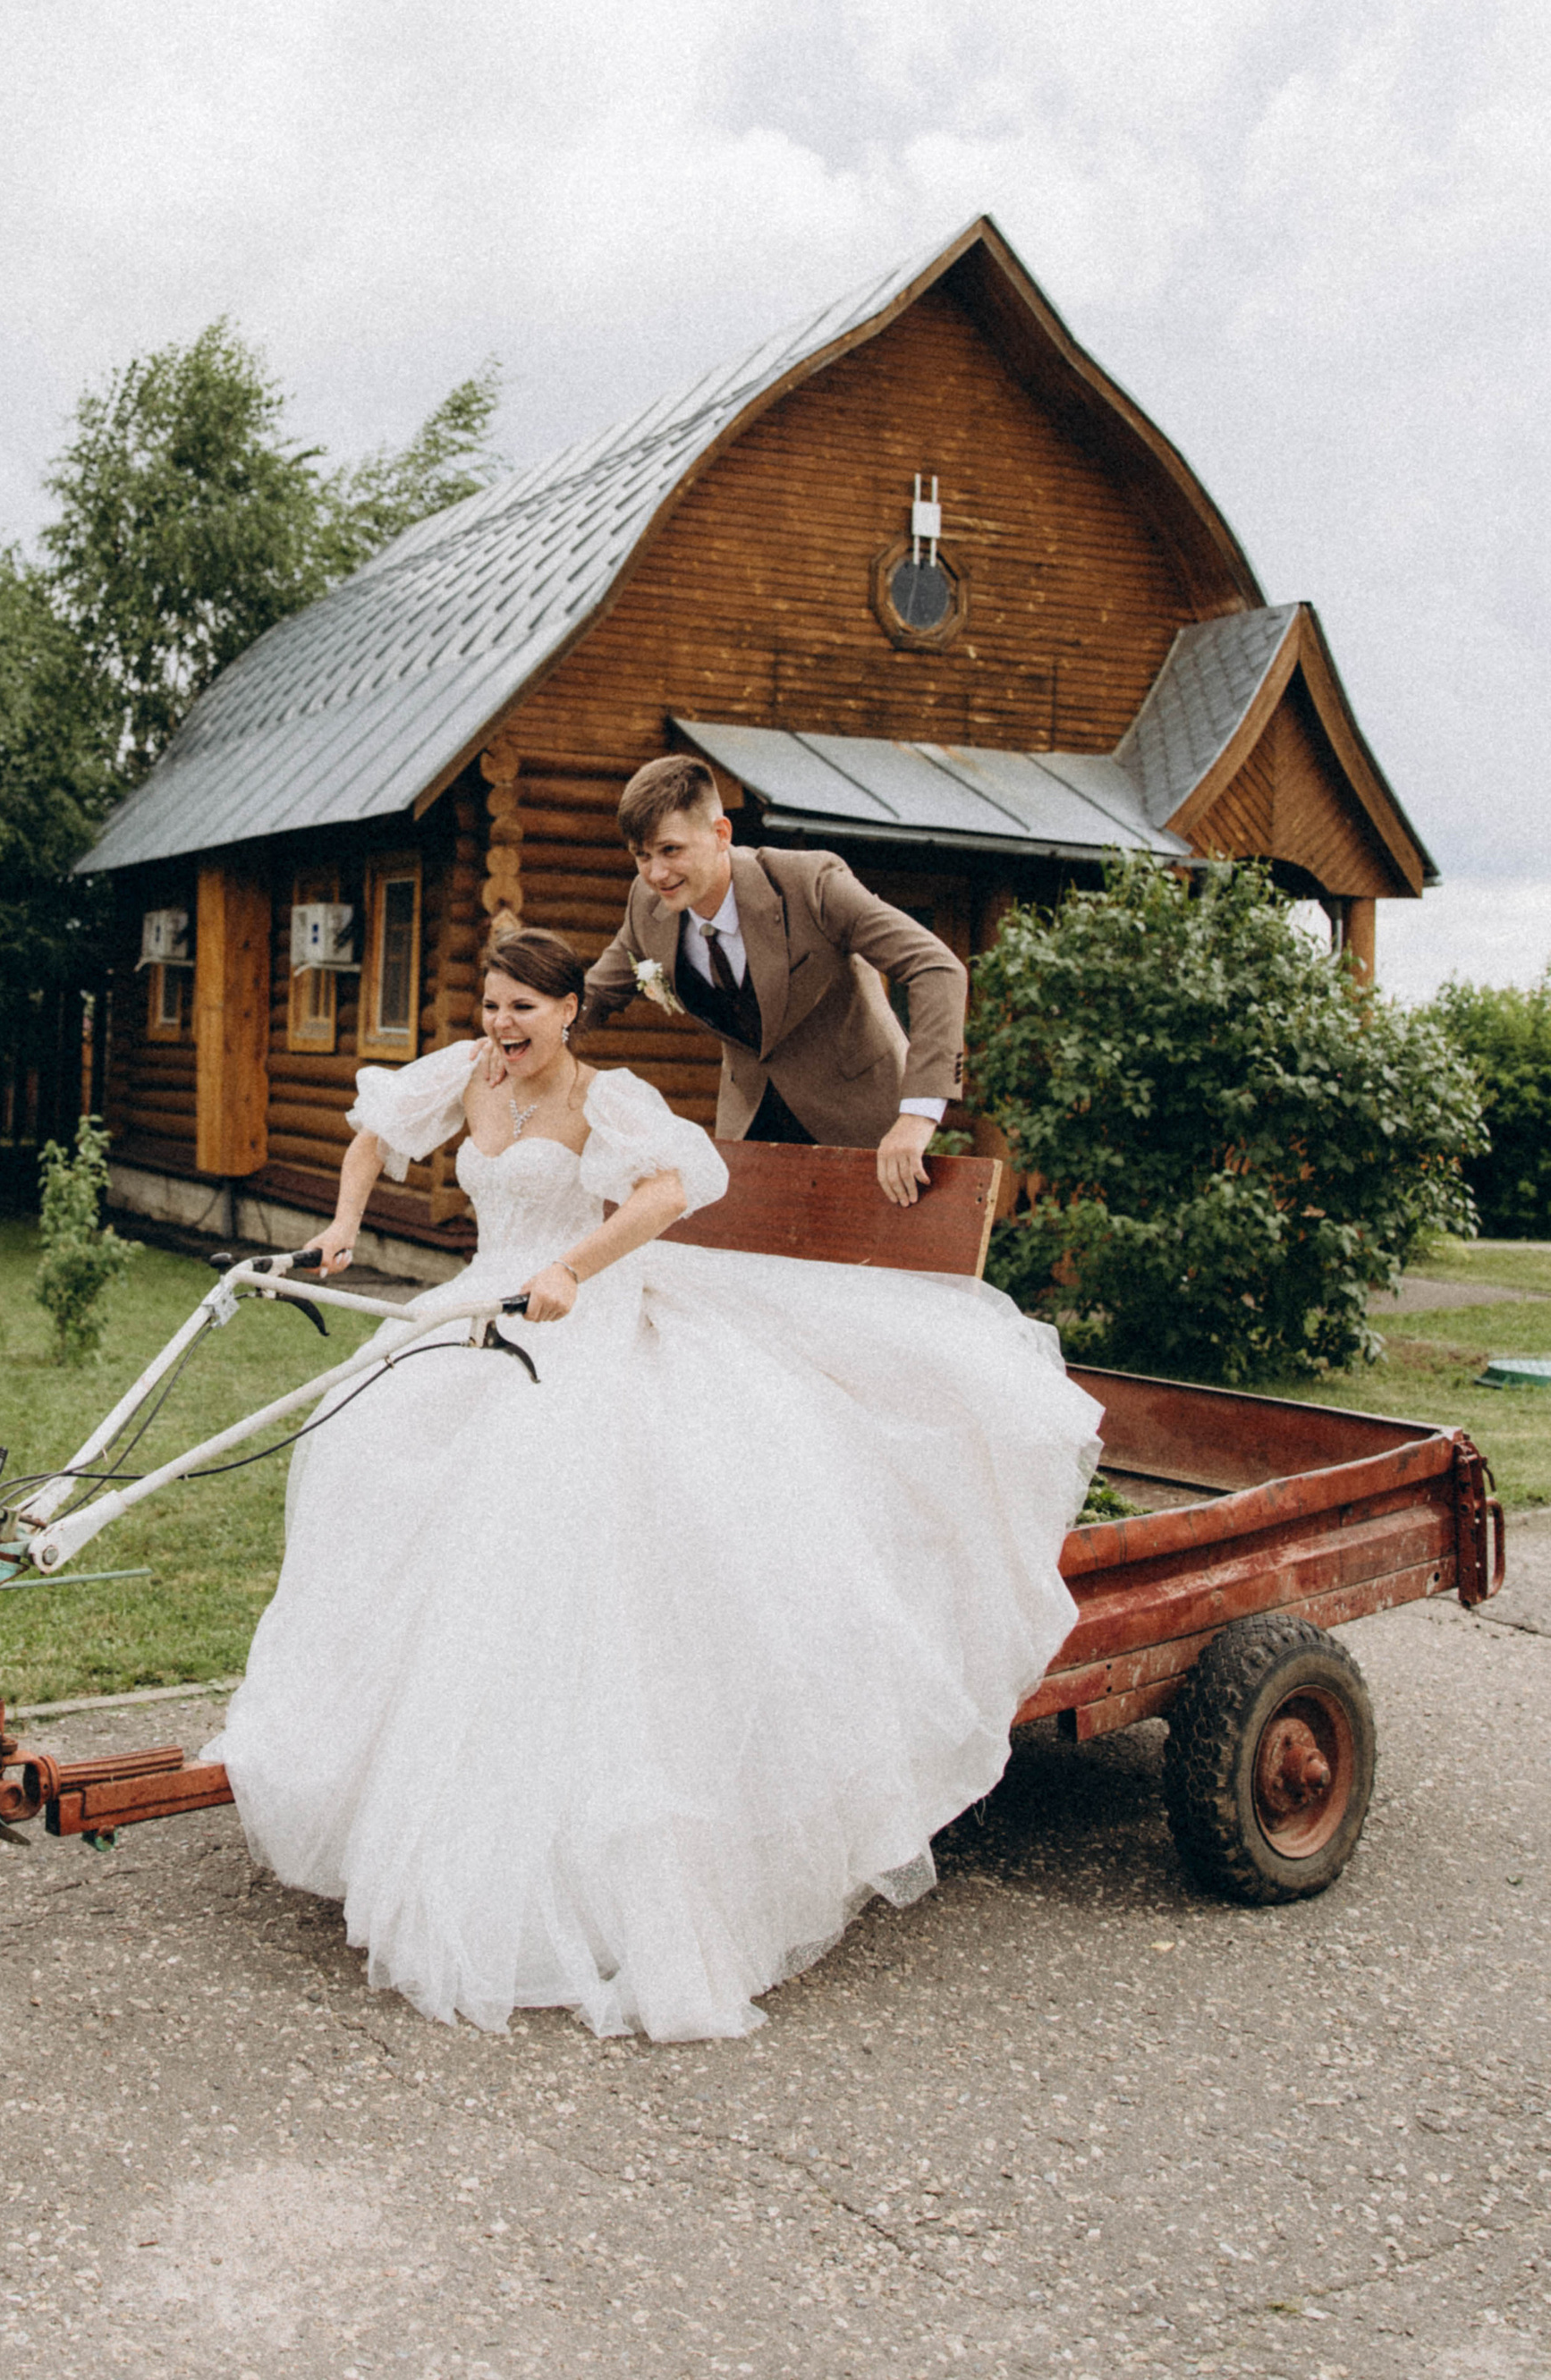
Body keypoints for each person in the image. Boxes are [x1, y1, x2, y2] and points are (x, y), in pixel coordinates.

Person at [208, 923, 1101, 2045]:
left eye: (522, 1012)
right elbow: (371, 1135)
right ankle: (401, 1794)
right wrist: (343, 1223)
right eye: (490, 1006)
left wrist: (570, 1267)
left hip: (577, 1307)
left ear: (567, 1012)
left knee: (554, 1527)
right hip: (478, 1302)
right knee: (376, 1468)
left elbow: (666, 1196)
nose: (501, 1029)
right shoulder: (468, 1073)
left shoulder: (608, 1095)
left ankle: (596, 1854)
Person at [579, 754, 967, 1206]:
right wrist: (514, 1038)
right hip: (750, 1140)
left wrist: (917, 1117)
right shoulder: (646, 907)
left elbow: (937, 968)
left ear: (720, 834)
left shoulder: (809, 884)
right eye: (641, 856)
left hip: (867, 1130)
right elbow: (589, 997)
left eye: (670, 850)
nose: (656, 874)